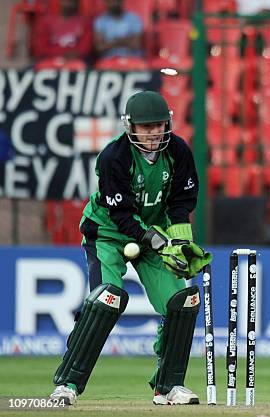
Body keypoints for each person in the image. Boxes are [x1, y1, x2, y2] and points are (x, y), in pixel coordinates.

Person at [49, 91, 211, 406]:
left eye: (158, 125)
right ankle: (67, 384)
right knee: (106, 299)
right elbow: (120, 213)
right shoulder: (114, 157)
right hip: (108, 233)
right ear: (130, 127)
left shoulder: (178, 150)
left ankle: (168, 386)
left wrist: (179, 243)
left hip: (154, 234)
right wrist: (154, 239)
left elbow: (181, 202)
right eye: (145, 126)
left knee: (183, 301)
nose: (153, 133)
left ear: (168, 123)